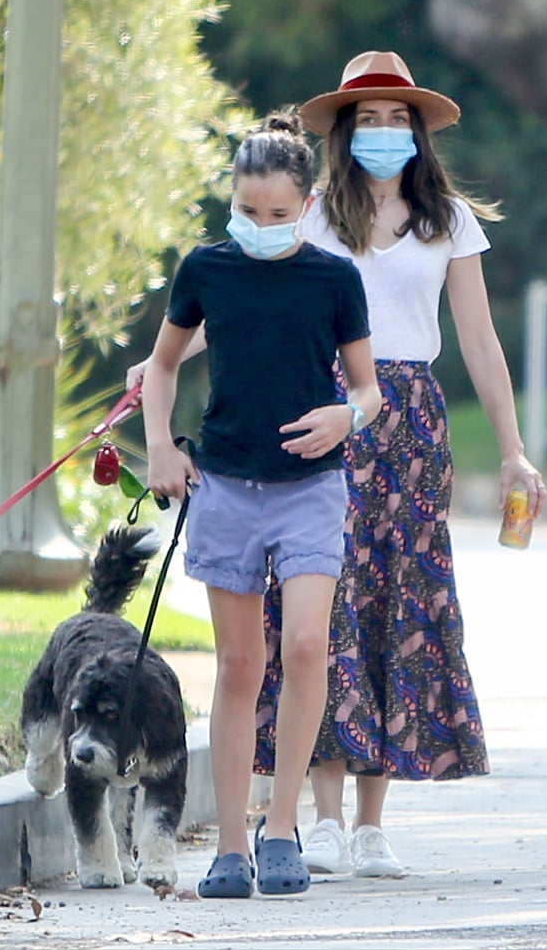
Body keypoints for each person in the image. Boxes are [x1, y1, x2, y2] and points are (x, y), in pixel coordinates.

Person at [253, 51, 547, 880]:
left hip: (413, 422)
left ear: (417, 129)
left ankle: (373, 823)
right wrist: (165, 357)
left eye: (397, 118)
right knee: (316, 608)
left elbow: (481, 342)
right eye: (368, 118)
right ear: (345, 131)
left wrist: (515, 448)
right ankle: (321, 815)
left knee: (393, 605)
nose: (383, 131)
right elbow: (248, 299)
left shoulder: (447, 220)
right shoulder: (308, 217)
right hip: (324, 415)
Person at [140, 109, 382, 898]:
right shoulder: (207, 269)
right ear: (233, 200)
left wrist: (350, 414)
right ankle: (231, 846)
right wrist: (161, 446)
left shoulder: (335, 279)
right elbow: (164, 363)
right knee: (242, 664)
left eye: (278, 214)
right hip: (228, 487)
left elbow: (370, 387)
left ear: (307, 206)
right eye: (248, 211)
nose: (262, 226)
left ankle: (284, 829)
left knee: (307, 644)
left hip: (312, 487)